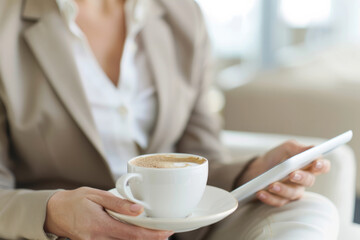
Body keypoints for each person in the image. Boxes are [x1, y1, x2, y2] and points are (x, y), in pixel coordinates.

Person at [0, 0, 337, 239]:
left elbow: (203, 154)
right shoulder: (7, 22)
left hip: (176, 229)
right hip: (60, 236)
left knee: (312, 210)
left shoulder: (183, 14)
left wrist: (252, 172)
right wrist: (53, 213)